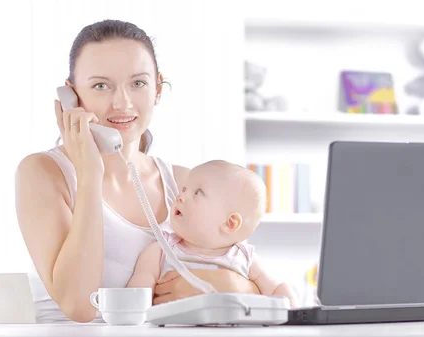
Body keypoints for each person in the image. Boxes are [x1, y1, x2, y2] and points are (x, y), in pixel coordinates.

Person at [15, 19, 259, 324]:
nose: (122, 102)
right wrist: (90, 174)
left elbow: (250, 271)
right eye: (100, 85)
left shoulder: (186, 184)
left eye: (138, 83)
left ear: (157, 88)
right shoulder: (43, 174)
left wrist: (236, 286)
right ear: (71, 96)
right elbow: (79, 306)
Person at [127, 160, 296, 306]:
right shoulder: (160, 250)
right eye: (184, 189)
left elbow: (277, 290)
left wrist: (294, 315)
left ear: (229, 223)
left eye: (197, 193)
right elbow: (135, 297)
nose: (180, 196)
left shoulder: (245, 258)